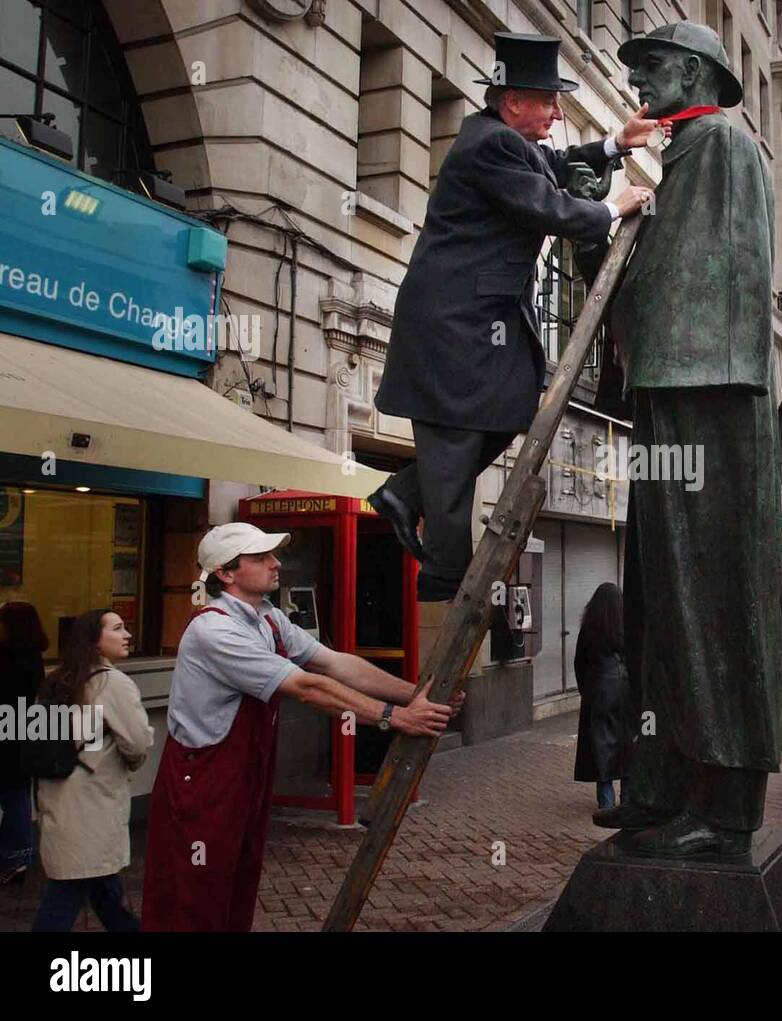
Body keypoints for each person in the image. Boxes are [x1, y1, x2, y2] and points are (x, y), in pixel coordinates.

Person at [587, 21, 782, 857]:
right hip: (673, 391)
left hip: (703, 393)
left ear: (696, 71)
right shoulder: (682, 155)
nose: (640, 82)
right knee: (661, 598)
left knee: (709, 594)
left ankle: (726, 801)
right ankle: (664, 781)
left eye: (653, 68)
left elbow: (719, 276)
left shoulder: (720, 146)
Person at [367, 32, 658, 602]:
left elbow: (550, 165)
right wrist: (610, 206)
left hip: (476, 317)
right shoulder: (490, 146)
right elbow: (547, 206)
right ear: (512, 102)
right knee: (452, 438)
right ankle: (447, 576)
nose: (556, 110)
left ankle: (404, 494)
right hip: (455, 322)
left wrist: (615, 145)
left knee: (515, 403)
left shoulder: (502, 141)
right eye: (547, 99)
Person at [142, 523, 463, 931]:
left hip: (245, 780)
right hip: (202, 784)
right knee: (194, 897)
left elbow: (336, 663)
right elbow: (307, 686)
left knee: (237, 886)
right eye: (261, 557)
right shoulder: (215, 629)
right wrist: (394, 717)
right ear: (225, 573)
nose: (277, 563)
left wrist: (415, 694)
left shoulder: (269, 619)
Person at [31, 609, 154, 931]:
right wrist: (130, 763)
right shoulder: (112, 683)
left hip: (59, 793)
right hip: (93, 801)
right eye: (117, 628)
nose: (127, 634)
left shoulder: (56, 679)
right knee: (68, 890)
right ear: (95, 642)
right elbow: (138, 742)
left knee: (100, 885)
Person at [573, 583, 635, 810]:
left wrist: (586, 690)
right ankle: (629, 801)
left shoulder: (590, 627)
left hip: (599, 689)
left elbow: (580, 662)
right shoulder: (629, 626)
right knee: (629, 745)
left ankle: (606, 804)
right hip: (627, 690)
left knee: (601, 747)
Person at [0, 602, 49, 886]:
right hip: (24, 730)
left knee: (13, 795)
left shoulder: (10, 658)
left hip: (10, 731)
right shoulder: (33, 656)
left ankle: (16, 855)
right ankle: (18, 855)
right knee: (17, 793)